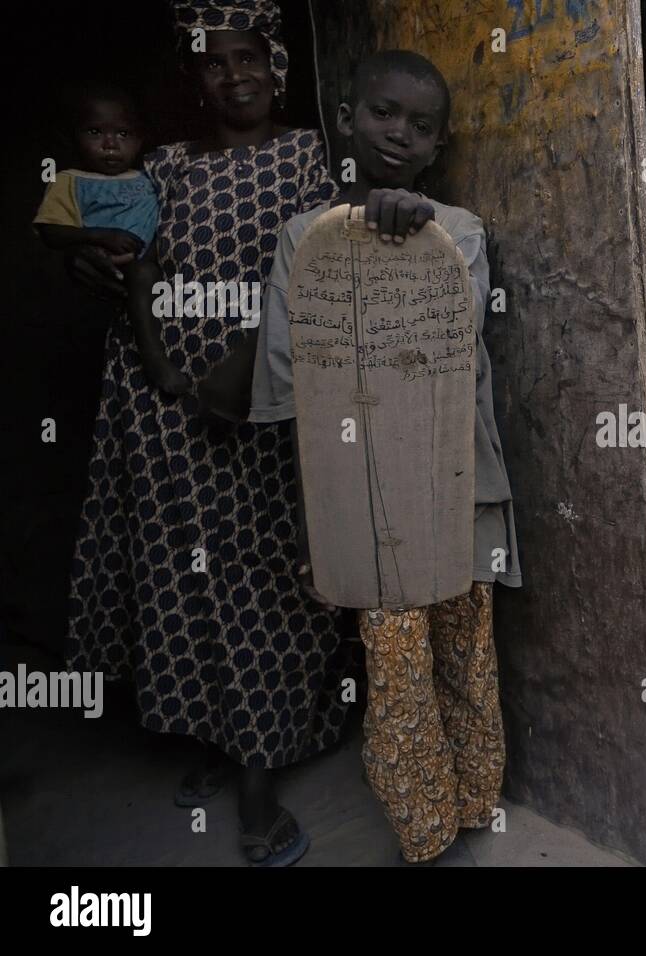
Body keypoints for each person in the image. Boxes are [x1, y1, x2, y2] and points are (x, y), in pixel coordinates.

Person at [63, 0, 349, 867]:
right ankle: (216, 740)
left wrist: (249, 363)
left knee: (267, 581)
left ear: (276, 65)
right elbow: (109, 249)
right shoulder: (165, 166)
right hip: (157, 407)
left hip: (259, 408)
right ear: (195, 79)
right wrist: (82, 256)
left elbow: (325, 269)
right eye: (212, 63)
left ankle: (261, 773)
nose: (233, 76)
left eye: (246, 58)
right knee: (182, 580)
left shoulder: (308, 157)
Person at [248, 50, 522, 863]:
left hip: (457, 484)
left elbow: (444, 341)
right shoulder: (304, 241)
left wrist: (407, 237)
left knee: (468, 653)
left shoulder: (459, 233)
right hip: (364, 502)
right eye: (383, 113)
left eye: (422, 125)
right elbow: (291, 388)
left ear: (439, 146)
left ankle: (474, 806)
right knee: (397, 671)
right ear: (346, 115)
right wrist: (318, 520)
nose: (398, 134)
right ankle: (426, 835)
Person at [33, 84, 158, 268]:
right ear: (73, 137)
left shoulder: (151, 176)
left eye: (123, 134)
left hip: (151, 267)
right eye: (95, 132)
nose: (110, 144)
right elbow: (50, 230)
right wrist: (100, 236)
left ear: (140, 140)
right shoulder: (69, 181)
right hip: (99, 268)